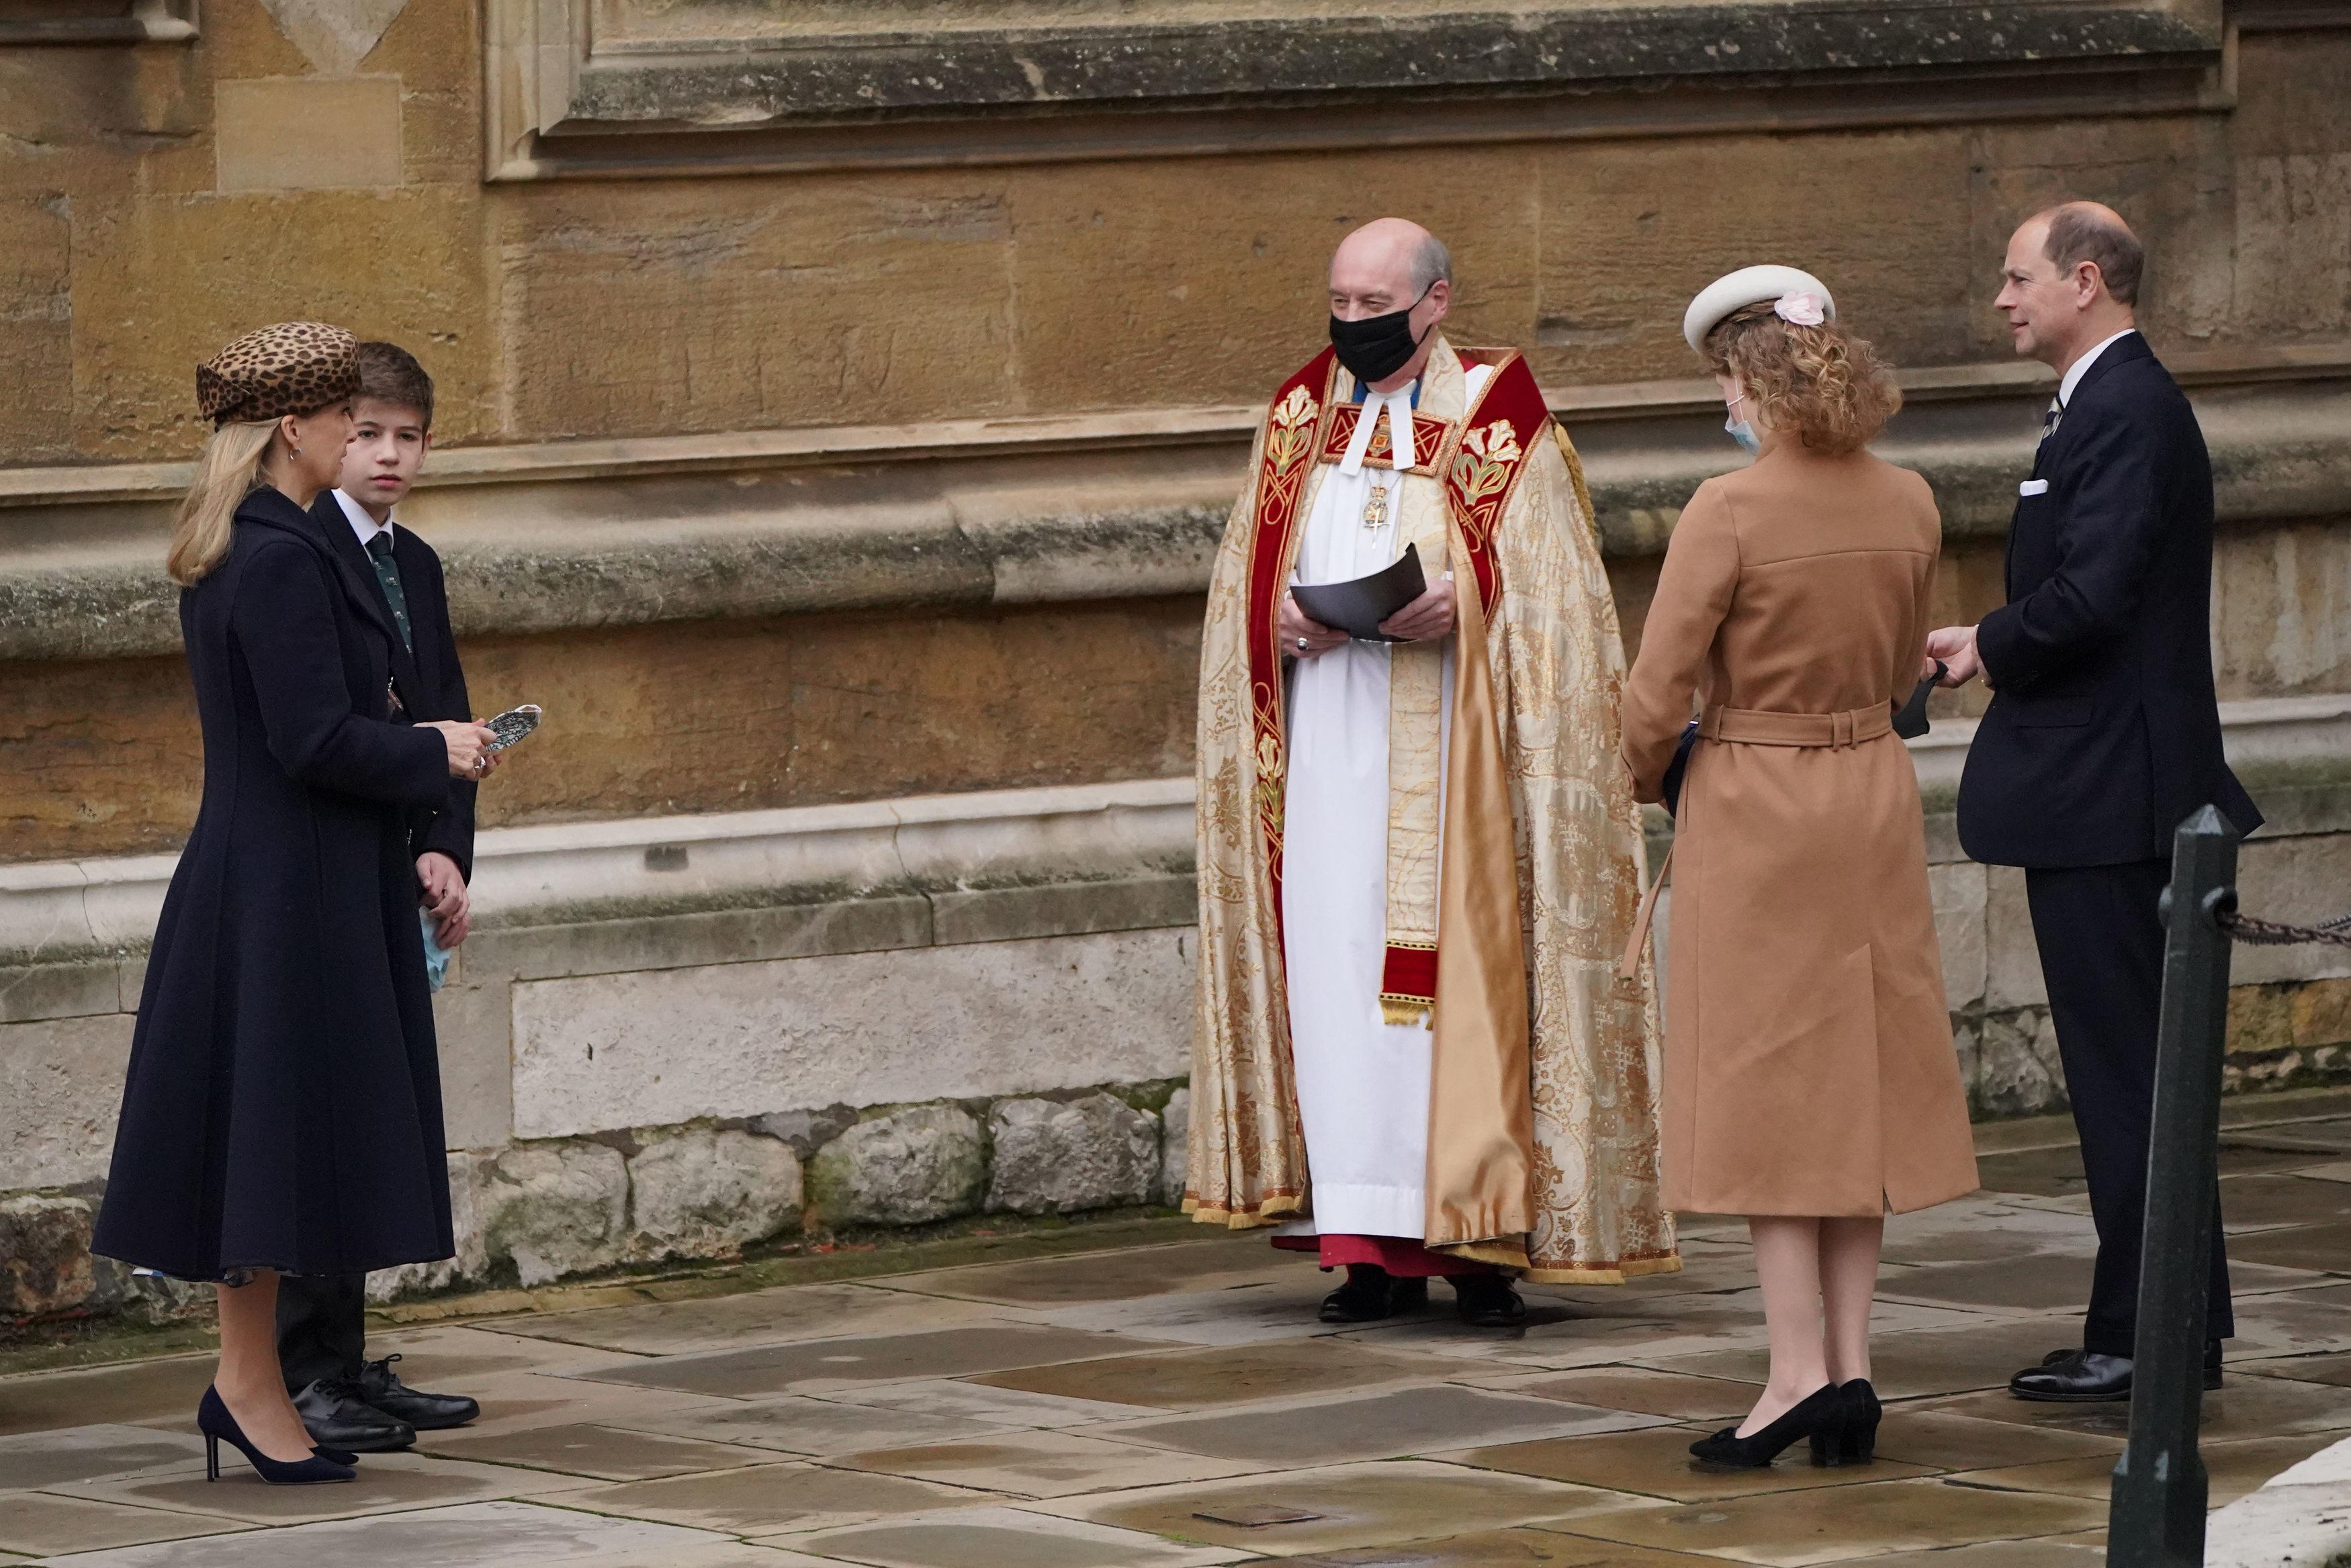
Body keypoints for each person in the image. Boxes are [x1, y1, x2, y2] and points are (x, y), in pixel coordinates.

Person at [1186, 218, 1677, 1327]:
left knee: (1448, 990)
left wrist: (1475, 591)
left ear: (1437, 301)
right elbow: (1239, 580)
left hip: (1455, 765)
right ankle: (1362, 1247)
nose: (1351, 324)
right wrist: (1273, 623)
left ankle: (1477, 1246)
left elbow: (1563, 599)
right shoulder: (1300, 414)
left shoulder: (1499, 416)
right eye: (1341, 303)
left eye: (1375, 305)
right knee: (1335, 982)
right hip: (1323, 756)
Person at [89, 322, 498, 1485]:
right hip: (284, 889)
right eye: (344, 420)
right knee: (265, 1146)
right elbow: (313, 740)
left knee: (270, 1149)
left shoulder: (265, 544)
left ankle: (252, 1384)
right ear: (295, 429)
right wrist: (441, 751)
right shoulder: (274, 556)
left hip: (291, 879)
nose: (359, 439)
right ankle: (253, 1386)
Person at [1619, 267, 1979, 1467]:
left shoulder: (1728, 507)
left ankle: (1792, 1378)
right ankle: (1854, 1372)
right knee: (1857, 1090)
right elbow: (1896, 680)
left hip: (1759, 804)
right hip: (1869, 795)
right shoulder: (1912, 498)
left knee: (1778, 1093)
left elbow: (1654, 693)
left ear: (1744, 380)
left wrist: (1647, 777)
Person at [1927, 203, 2258, 1402]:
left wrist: (1992, 642)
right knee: (2137, 1080)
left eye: (2019, 280)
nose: (2004, 301)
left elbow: (2100, 591)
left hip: (2115, 791)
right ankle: (2169, 1324)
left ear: (2085, 279)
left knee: (2129, 1080)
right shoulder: (2106, 402)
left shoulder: (2124, 406)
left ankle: (2145, 1336)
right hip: (2108, 782)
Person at [278, 342, 484, 1452]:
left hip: (393, 859)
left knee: (369, 1107)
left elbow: (453, 717)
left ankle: (347, 1365)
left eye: (407, 435)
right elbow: (327, 733)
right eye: (366, 433)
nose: (388, 454)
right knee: (322, 1107)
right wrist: (418, 768)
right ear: (318, 435)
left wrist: (447, 848)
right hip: (322, 862)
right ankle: (304, 1372)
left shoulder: (424, 564)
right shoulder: (297, 553)